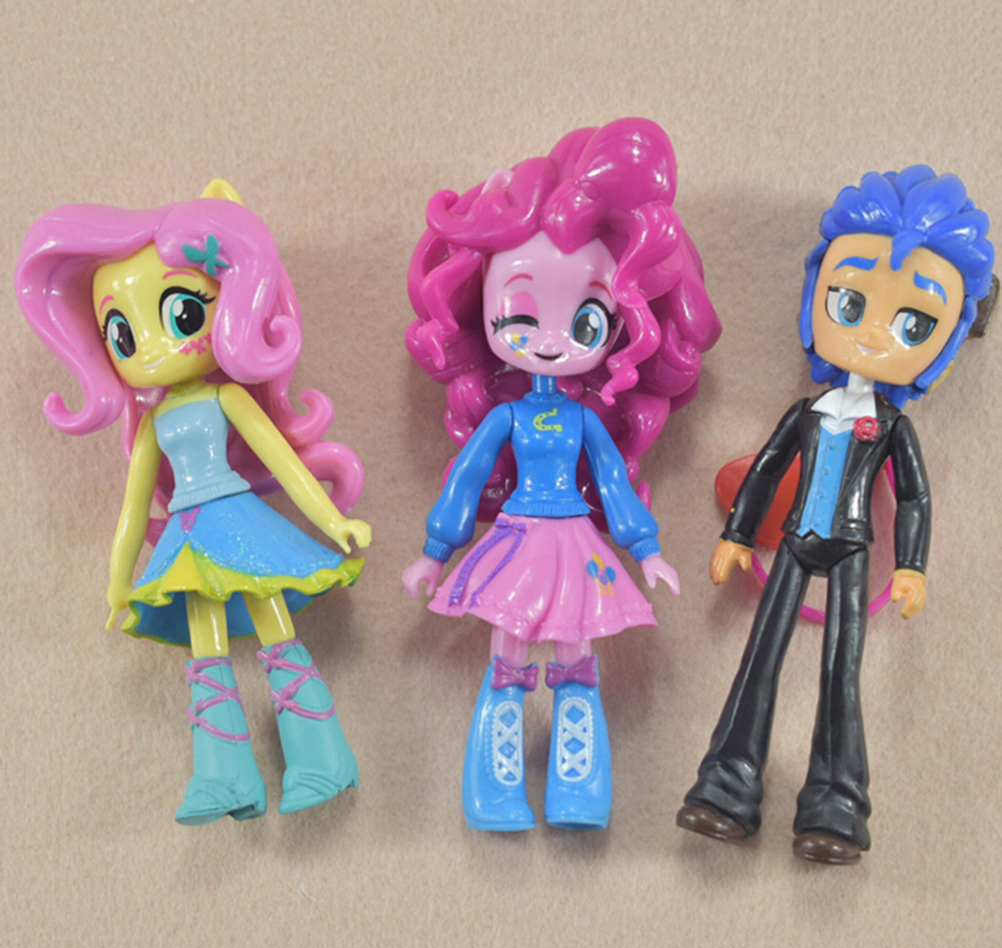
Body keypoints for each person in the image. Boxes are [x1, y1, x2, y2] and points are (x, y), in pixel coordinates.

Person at [17, 180, 371, 825]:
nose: (150, 349)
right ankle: (224, 777)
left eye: (180, 315)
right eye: (123, 335)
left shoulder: (224, 397)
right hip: (188, 532)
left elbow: (285, 465)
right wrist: (119, 581)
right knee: (205, 652)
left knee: (274, 628)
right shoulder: (153, 426)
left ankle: (322, 759)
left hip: (235, 517)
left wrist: (333, 519)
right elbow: (134, 509)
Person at [403, 119, 721, 830]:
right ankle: (496, 790)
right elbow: (466, 478)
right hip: (517, 536)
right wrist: (435, 550)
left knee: (576, 659)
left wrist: (646, 549)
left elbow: (611, 483)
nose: (549, 343)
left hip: (574, 538)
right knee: (509, 658)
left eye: (584, 324)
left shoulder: (583, 422)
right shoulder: (506, 418)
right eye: (519, 314)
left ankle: (579, 789)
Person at [677, 166, 995, 863]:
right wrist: (737, 534)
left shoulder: (891, 426)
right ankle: (727, 783)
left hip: (851, 547)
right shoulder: (808, 412)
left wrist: (911, 566)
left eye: (911, 323)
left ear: (945, 340)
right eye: (850, 303)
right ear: (815, 296)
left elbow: (914, 497)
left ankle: (837, 800)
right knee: (758, 660)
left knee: (839, 671)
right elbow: (766, 469)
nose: (875, 334)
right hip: (795, 541)